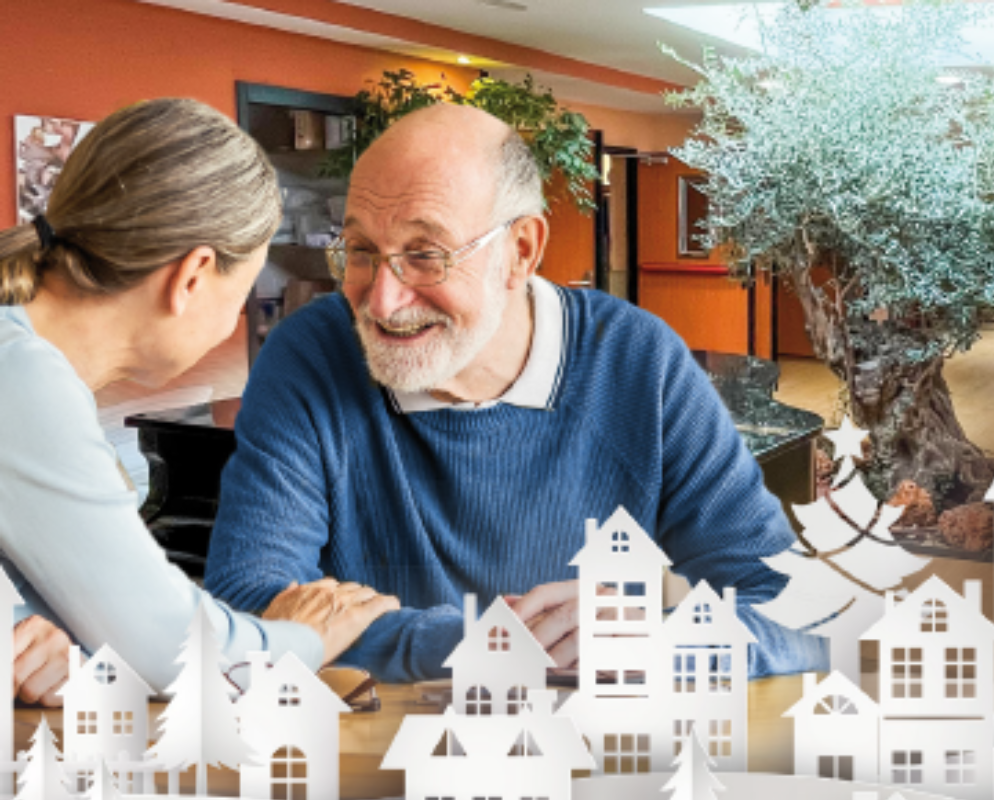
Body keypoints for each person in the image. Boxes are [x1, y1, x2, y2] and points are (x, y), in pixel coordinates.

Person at [204, 103, 826, 683]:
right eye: (362, 250)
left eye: (425, 254)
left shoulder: (637, 362)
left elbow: (802, 615)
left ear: (520, 251)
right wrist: (492, 645)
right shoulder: (309, 354)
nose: (381, 299)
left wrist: (661, 640)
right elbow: (251, 606)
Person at [0, 98, 400, 703]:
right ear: (193, 276)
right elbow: (180, 655)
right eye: (241, 292)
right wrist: (303, 636)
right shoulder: (23, 380)